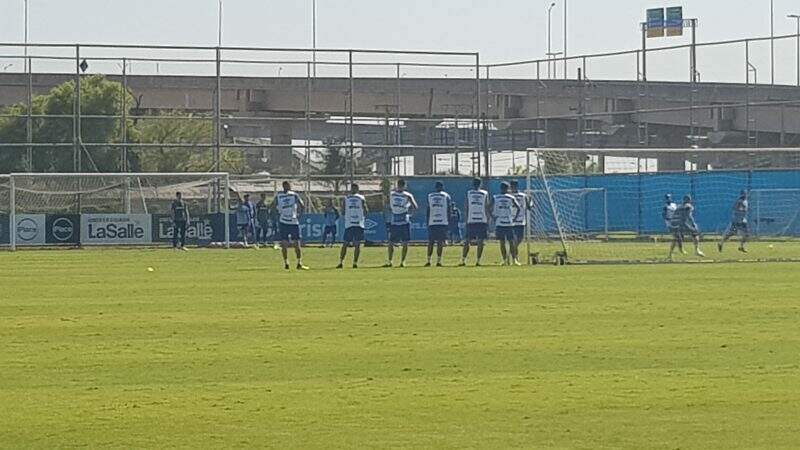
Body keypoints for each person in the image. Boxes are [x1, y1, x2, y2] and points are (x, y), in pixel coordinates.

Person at [271, 182, 309, 270]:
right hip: (291, 222)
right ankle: (295, 263)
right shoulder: (292, 195)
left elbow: (272, 206)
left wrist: (277, 214)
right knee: (293, 243)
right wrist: (299, 215)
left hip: (286, 221)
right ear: (287, 186)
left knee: (288, 243)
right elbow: (302, 205)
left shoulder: (280, 196)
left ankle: (290, 263)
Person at [385, 179, 418, 268]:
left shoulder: (406, 195)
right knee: (392, 243)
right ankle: (393, 261)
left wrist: (409, 215)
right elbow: (387, 204)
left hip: (403, 222)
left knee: (404, 243)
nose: (400, 187)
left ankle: (399, 261)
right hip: (396, 222)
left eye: (401, 185)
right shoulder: (393, 194)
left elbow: (415, 206)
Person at [338, 184, 368, 269]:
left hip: (350, 224)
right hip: (358, 223)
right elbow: (366, 210)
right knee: (357, 244)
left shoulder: (346, 198)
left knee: (346, 244)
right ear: (357, 189)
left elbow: (343, 211)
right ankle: (354, 263)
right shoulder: (361, 198)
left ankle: (341, 262)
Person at [461, 178, 490, 266]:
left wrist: (466, 219)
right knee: (480, 241)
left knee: (467, 241)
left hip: (471, 220)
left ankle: (463, 260)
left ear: (473, 184)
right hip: (481, 220)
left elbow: (466, 207)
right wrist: (488, 219)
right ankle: (478, 261)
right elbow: (487, 207)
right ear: (480, 184)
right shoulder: (484, 193)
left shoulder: (469, 193)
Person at [493, 182, 522, 266]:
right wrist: (515, 218)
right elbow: (519, 208)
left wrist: (493, 216)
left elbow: (488, 207)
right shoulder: (499, 197)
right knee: (508, 242)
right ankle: (509, 260)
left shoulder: (499, 197)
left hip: (504, 223)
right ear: (507, 188)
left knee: (507, 242)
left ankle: (509, 260)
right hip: (506, 223)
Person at [426, 181, 453, 267]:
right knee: (440, 242)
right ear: (442, 187)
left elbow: (428, 209)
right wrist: (449, 220)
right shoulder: (446, 196)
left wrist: (428, 221)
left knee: (431, 242)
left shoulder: (430, 196)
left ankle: (428, 260)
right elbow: (449, 209)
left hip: (432, 221)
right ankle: (438, 261)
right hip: (442, 221)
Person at [672, 194, 705, 259]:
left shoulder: (678, 206)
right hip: (682, 223)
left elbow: (676, 215)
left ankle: (670, 254)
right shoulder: (689, 206)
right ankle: (697, 250)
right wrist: (693, 224)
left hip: (674, 224)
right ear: (689, 200)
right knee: (695, 234)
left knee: (677, 239)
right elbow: (689, 216)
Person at [509, 180, 531, 266]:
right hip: (512, 221)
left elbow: (528, 207)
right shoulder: (509, 196)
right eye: (512, 186)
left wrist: (531, 202)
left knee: (520, 239)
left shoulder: (523, 196)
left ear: (517, 186)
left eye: (514, 186)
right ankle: (515, 258)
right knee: (514, 240)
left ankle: (513, 252)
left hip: (521, 221)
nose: (513, 188)